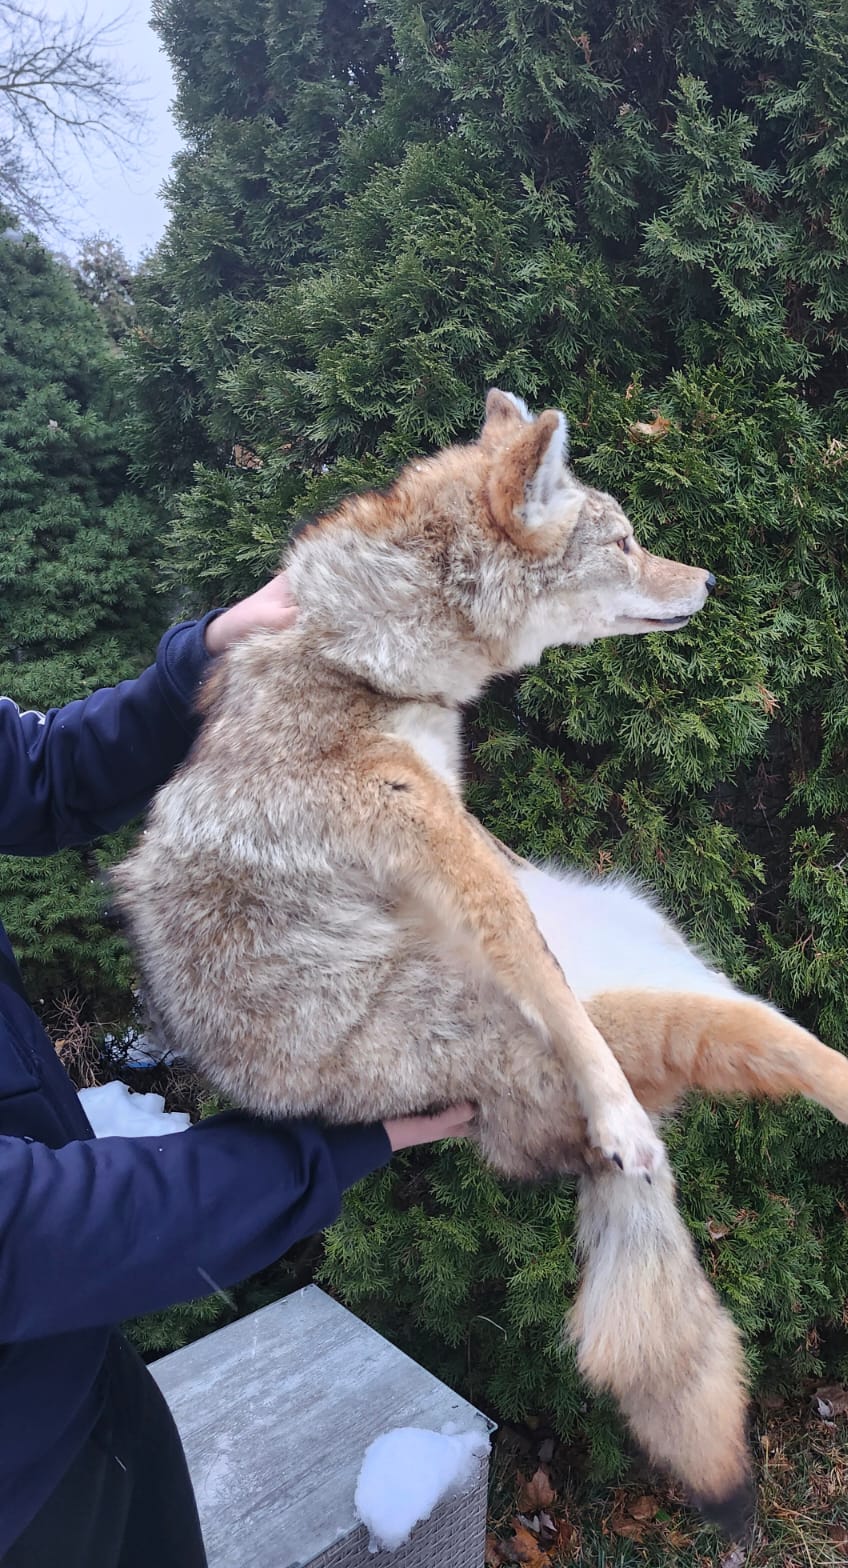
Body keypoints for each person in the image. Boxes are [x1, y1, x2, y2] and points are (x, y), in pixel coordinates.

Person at [0, 579, 475, 1567]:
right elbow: (29, 1235)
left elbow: (35, 771)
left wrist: (215, 660)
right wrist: (335, 1137)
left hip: (75, 1372)